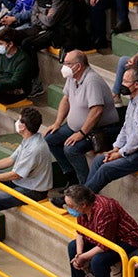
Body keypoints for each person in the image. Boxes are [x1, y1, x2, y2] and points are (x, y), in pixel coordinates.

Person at [85, 66, 138, 192]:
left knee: (106, 169)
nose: (122, 84)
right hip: (132, 149)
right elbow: (125, 128)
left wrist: (119, 154)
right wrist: (116, 148)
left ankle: (80, 200)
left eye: (125, 82)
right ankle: (82, 195)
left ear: (136, 85)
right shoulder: (134, 100)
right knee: (98, 160)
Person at [62, 184, 138, 277]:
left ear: (83, 205)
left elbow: (104, 245)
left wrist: (83, 257)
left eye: (71, 206)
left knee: (99, 260)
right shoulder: (82, 211)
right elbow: (80, 232)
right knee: (73, 246)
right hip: (101, 237)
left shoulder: (105, 210)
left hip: (126, 240)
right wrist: (79, 255)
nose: (68, 208)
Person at [45, 50, 119, 186]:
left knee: (71, 149)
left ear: (78, 66)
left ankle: (84, 187)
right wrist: (57, 123)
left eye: (68, 63)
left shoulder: (92, 81)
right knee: (50, 138)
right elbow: (65, 99)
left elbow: (97, 111)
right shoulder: (72, 78)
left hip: (98, 130)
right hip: (75, 127)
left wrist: (81, 133)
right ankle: (71, 177)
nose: (64, 66)